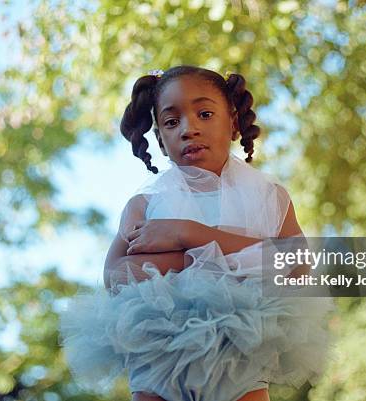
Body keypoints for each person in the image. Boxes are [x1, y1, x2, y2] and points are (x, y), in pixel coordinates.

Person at [59, 65, 334, 401]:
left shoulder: (268, 197)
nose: (188, 129)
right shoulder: (146, 204)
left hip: (241, 351)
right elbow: (116, 276)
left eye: (204, 113)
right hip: (158, 356)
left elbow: (295, 266)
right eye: (172, 122)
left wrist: (187, 234)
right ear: (160, 139)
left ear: (232, 122)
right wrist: (215, 258)